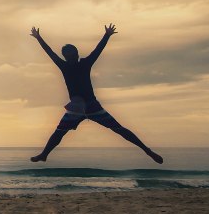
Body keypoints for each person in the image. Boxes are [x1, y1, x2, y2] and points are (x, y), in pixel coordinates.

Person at [29, 24, 163, 164]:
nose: (70, 57)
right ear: (69, 56)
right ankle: (44, 154)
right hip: (78, 108)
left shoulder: (76, 64)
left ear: (75, 54)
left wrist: (106, 35)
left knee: (118, 129)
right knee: (61, 132)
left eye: (71, 55)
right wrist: (39, 38)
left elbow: (96, 50)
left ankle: (147, 150)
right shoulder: (73, 64)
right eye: (68, 55)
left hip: (88, 106)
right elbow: (51, 52)